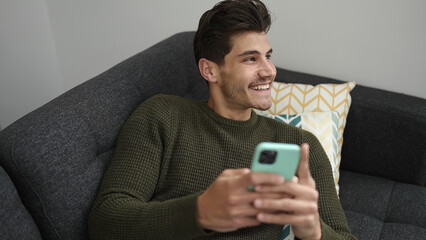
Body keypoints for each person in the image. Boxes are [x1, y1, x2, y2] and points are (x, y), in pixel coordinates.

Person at [88, 0, 357, 239]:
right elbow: (105, 221)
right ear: (210, 71)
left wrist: (313, 232)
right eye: (251, 59)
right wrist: (201, 212)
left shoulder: (298, 144)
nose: (270, 71)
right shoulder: (163, 116)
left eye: (268, 56)